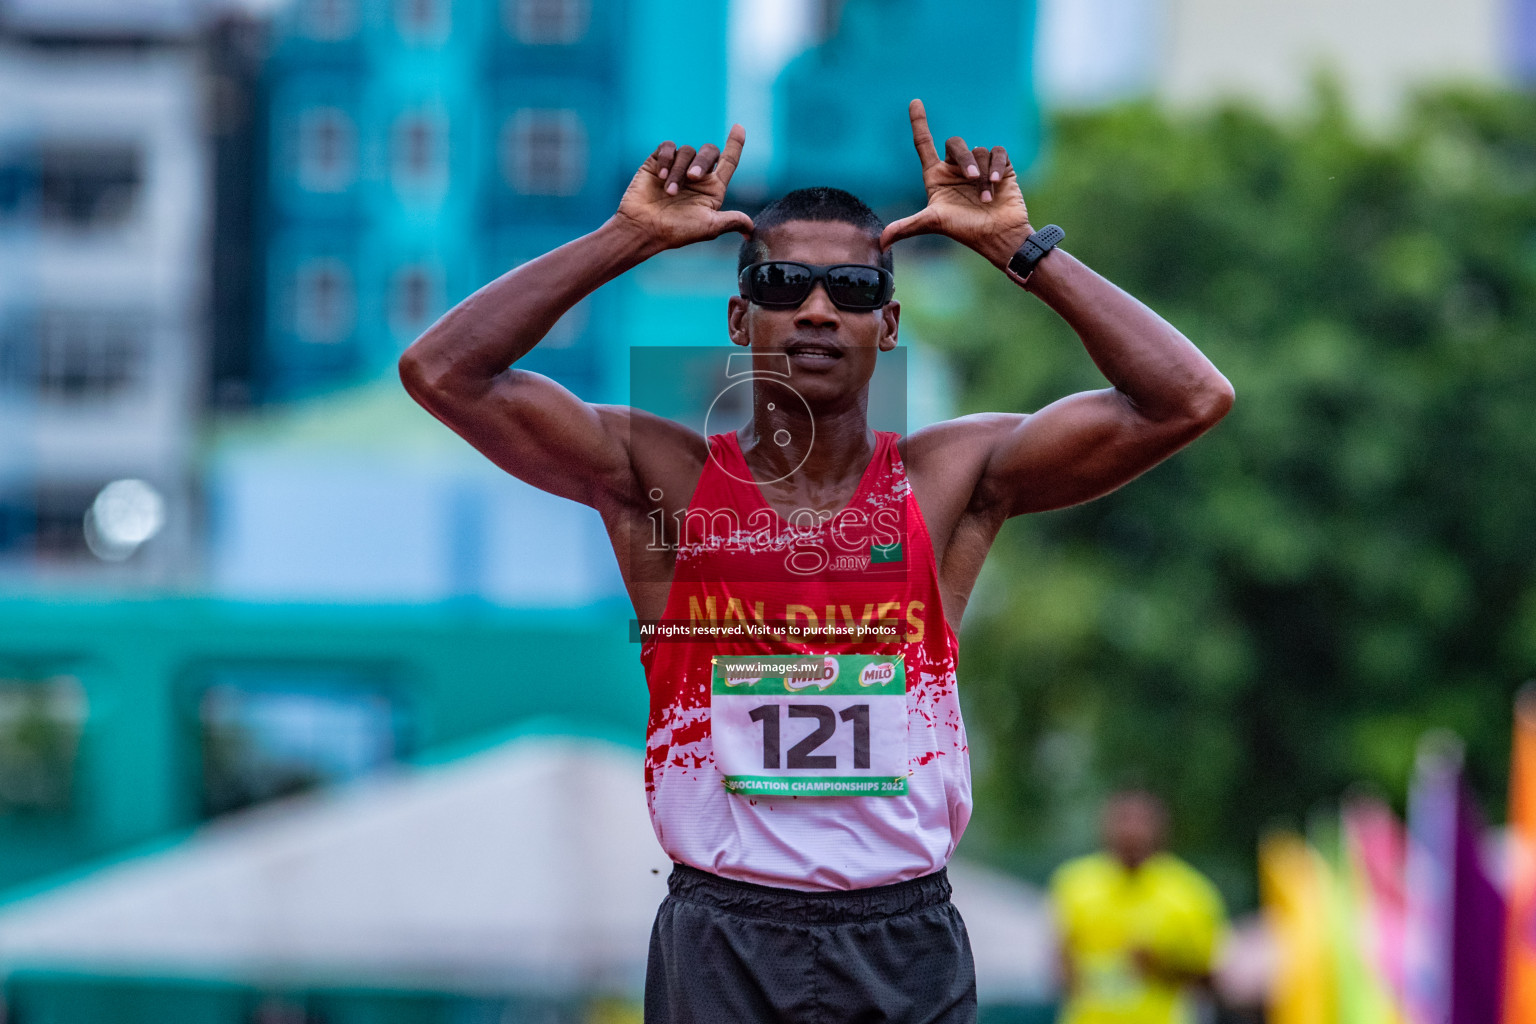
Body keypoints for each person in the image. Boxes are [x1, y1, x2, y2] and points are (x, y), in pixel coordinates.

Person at [399, 100, 1234, 1024]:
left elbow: (1187, 399)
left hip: (902, 937)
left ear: (890, 324)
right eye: (786, 285)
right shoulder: (659, 478)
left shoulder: (949, 479)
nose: (818, 311)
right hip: (724, 938)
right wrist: (625, 239)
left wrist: (1019, 252)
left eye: (854, 292)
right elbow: (445, 374)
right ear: (738, 316)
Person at [1050, 790, 1228, 1024]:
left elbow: (1215, 981)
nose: (1130, 830)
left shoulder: (1191, 894)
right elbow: (1060, 961)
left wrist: (1160, 967)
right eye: (1122, 819)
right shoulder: (1074, 884)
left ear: (1161, 829)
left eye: (1140, 821)